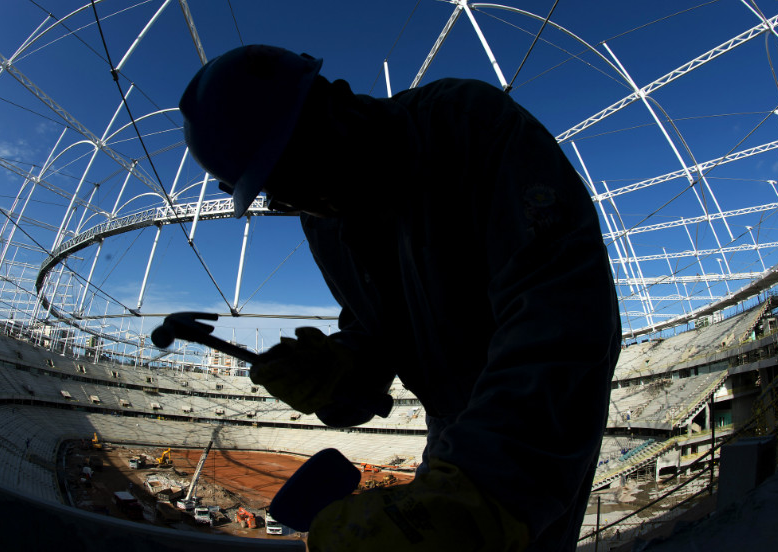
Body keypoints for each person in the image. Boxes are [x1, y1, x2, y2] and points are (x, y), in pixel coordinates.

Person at [179, 44, 621, 551]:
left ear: (336, 98)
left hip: (535, 414)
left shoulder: (470, 127)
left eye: (304, 157)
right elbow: (373, 331)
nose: (310, 197)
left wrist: (485, 492)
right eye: (282, 192)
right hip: (450, 423)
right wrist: (344, 369)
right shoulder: (325, 222)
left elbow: (562, 308)